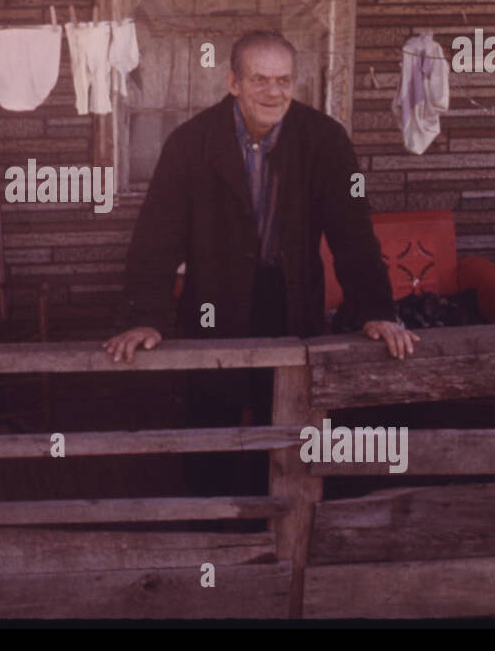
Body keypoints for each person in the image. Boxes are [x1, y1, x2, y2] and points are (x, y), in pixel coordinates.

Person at [102, 32, 418, 496]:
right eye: (260, 80)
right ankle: (213, 520)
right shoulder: (190, 143)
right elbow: (156, 238)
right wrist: (144, 316)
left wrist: (376, 310)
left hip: (289, 297)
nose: (274, 92)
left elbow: (353, 231)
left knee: (290, 417)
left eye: (284, 80)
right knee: (211, 416)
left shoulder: (325, 140)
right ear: (233, 82)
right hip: (213, 299)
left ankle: (283, 518)